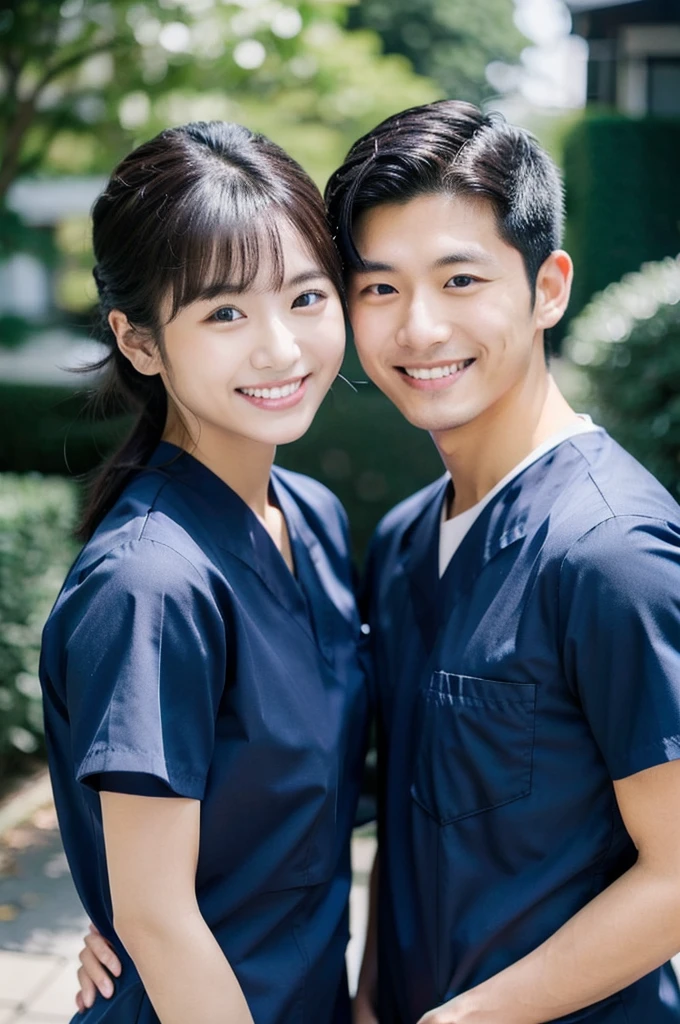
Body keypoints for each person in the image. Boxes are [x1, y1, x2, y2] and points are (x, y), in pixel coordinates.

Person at [324, 100, 680, 1023]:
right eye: (380, 288)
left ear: (548, 287)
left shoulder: (612, 552)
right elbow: (408, 831)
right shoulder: (406, 539)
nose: (419, 329)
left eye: (460, 280)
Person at [39, 119, 368, 1024]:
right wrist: (131, 920)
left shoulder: (314, 522)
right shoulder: (151, 583)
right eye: (224, 312)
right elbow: (158, 918)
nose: (280, 347)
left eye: (306, 297)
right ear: (140, 343)